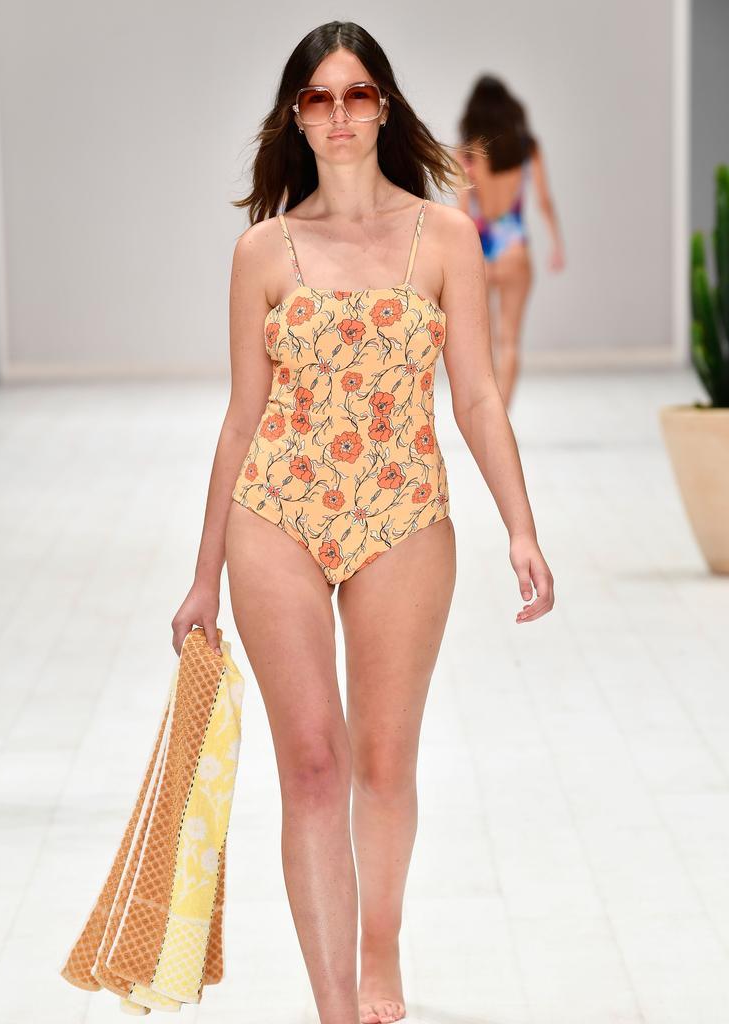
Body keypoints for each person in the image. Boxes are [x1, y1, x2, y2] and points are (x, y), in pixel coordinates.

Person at [171, 21, 555, 1024]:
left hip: (403, 512)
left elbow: (475, 395)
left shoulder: (446, 237)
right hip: (277, 514)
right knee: (312, 764)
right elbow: (239, 418)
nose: (338, 115)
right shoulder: (263, 249)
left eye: (356, 94)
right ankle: (336, 1008)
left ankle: (377, 949)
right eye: (317, 98)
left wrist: (521, 526)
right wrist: (203, 573)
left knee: (384, 765)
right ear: (296, 119)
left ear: (384, 105)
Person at [455, 75, 565, 409]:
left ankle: (488, 417)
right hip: (516, 249)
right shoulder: (526, 147)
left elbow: (462, 211)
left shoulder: (468, 152)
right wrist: (557, 242)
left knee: (483, 344)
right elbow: (544, 199)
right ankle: (502, 415)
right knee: (511, 341)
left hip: (482, 254)